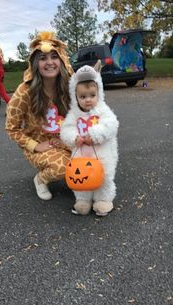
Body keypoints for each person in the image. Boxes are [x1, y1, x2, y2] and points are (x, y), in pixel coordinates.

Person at [5, 31, 74, 200]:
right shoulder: (25, 91)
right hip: (41, 144)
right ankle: (41, 179)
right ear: (36, 64)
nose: (49, 62)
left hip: (66, 140)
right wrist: (34, 146)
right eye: (43, 58)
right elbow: (11, 128)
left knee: (94, 156)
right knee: (63, 168)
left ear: (62, 60)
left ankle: (79, 182)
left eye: (54, 57)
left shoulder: (71, 86)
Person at [60, 64, 119, 216]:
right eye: (83, 96)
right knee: (80, 177)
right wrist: (74, 137)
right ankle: (83, 200)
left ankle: (103, 200)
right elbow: (65, 129)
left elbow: (112, 124)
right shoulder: (74, 114)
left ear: (99, 93)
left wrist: (94, 135)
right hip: (81, 154)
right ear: (75, 97)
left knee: (103, 176)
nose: (88, 100)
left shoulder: (103, 110)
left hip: (101, 153)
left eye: (92, 95)